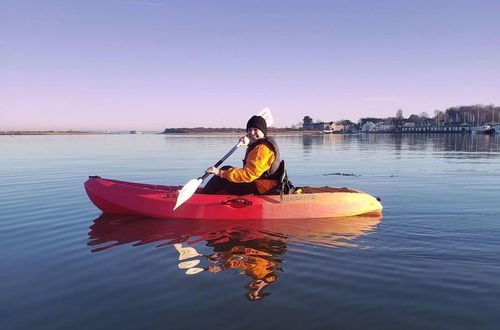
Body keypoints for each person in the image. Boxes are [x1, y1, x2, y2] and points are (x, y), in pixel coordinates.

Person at [201, 115, 282, 195]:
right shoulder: (262, 145)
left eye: (255, 129)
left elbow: (248, 175)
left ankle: (202, 199)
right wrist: (249, 143)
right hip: (262, 184)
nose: (252, 133)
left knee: (221, 176)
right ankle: (208, 196)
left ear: (263, 132)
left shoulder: (262, 149)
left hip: (262, 188)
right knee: (226, 169)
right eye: (249, 130)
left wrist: (219, 172)